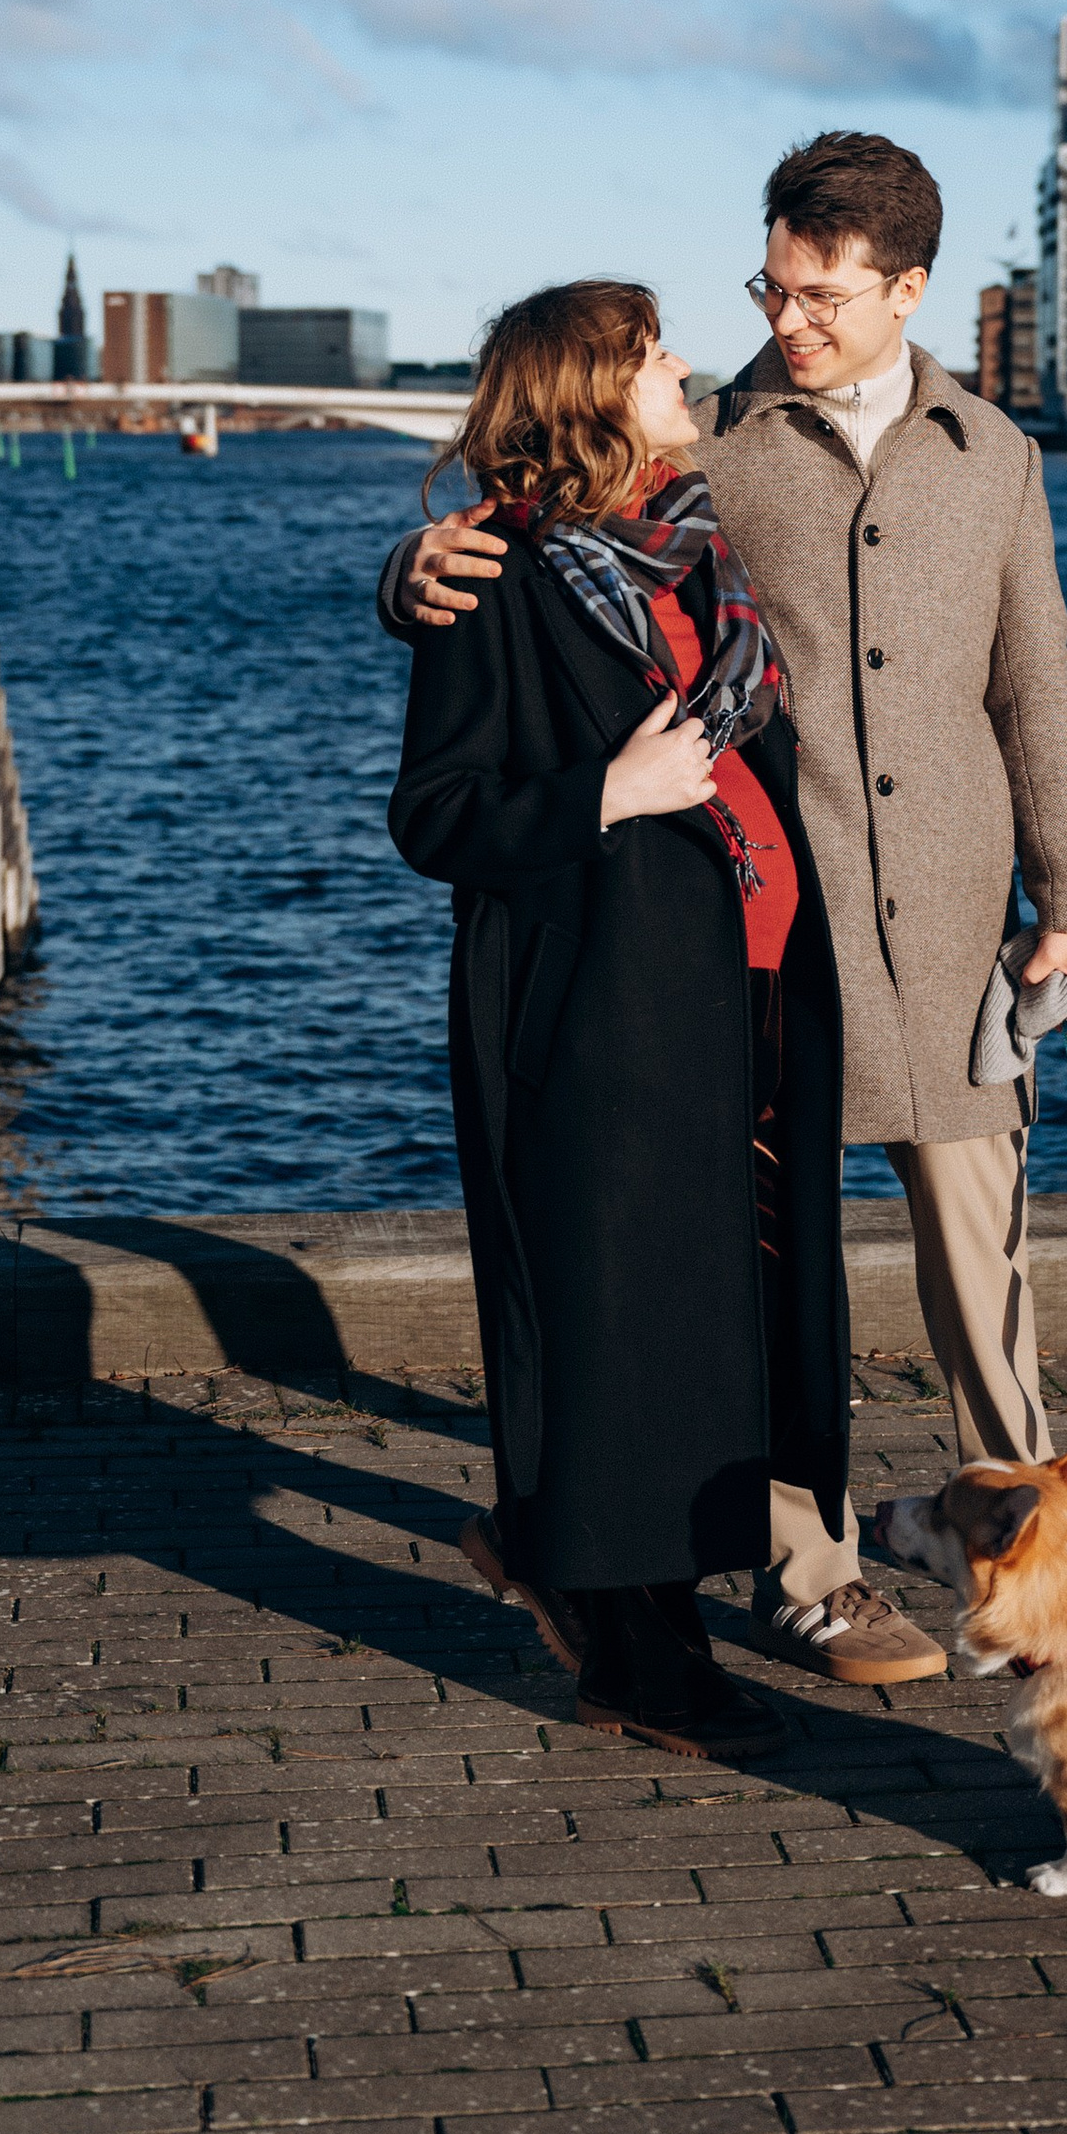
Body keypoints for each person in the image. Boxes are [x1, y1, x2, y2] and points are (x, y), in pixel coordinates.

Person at [384, 133, 1067, 1685]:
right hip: (767, 939)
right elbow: (541, 528)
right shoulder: (713, 443)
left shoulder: (995, 453)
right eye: (773, 281)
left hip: (959, 931)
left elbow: (1039, 693)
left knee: (986, 1276)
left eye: (822, 292)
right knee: (760, 1266)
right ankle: (808, 1573)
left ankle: (1043, 1557)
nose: (787, 316)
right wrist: (406, 571)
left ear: (907, 288)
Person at [382, 277, 851, 1762]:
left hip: (735, 1004)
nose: (687, 369)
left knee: (705, 1321)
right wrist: (609, 795)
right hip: (595, 1013)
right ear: (593, 392)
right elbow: (435, 813)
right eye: (656, 357)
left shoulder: (688, 553)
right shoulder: (497, 578)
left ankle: (587, 1565)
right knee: (615, 1328)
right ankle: (634, 1649)